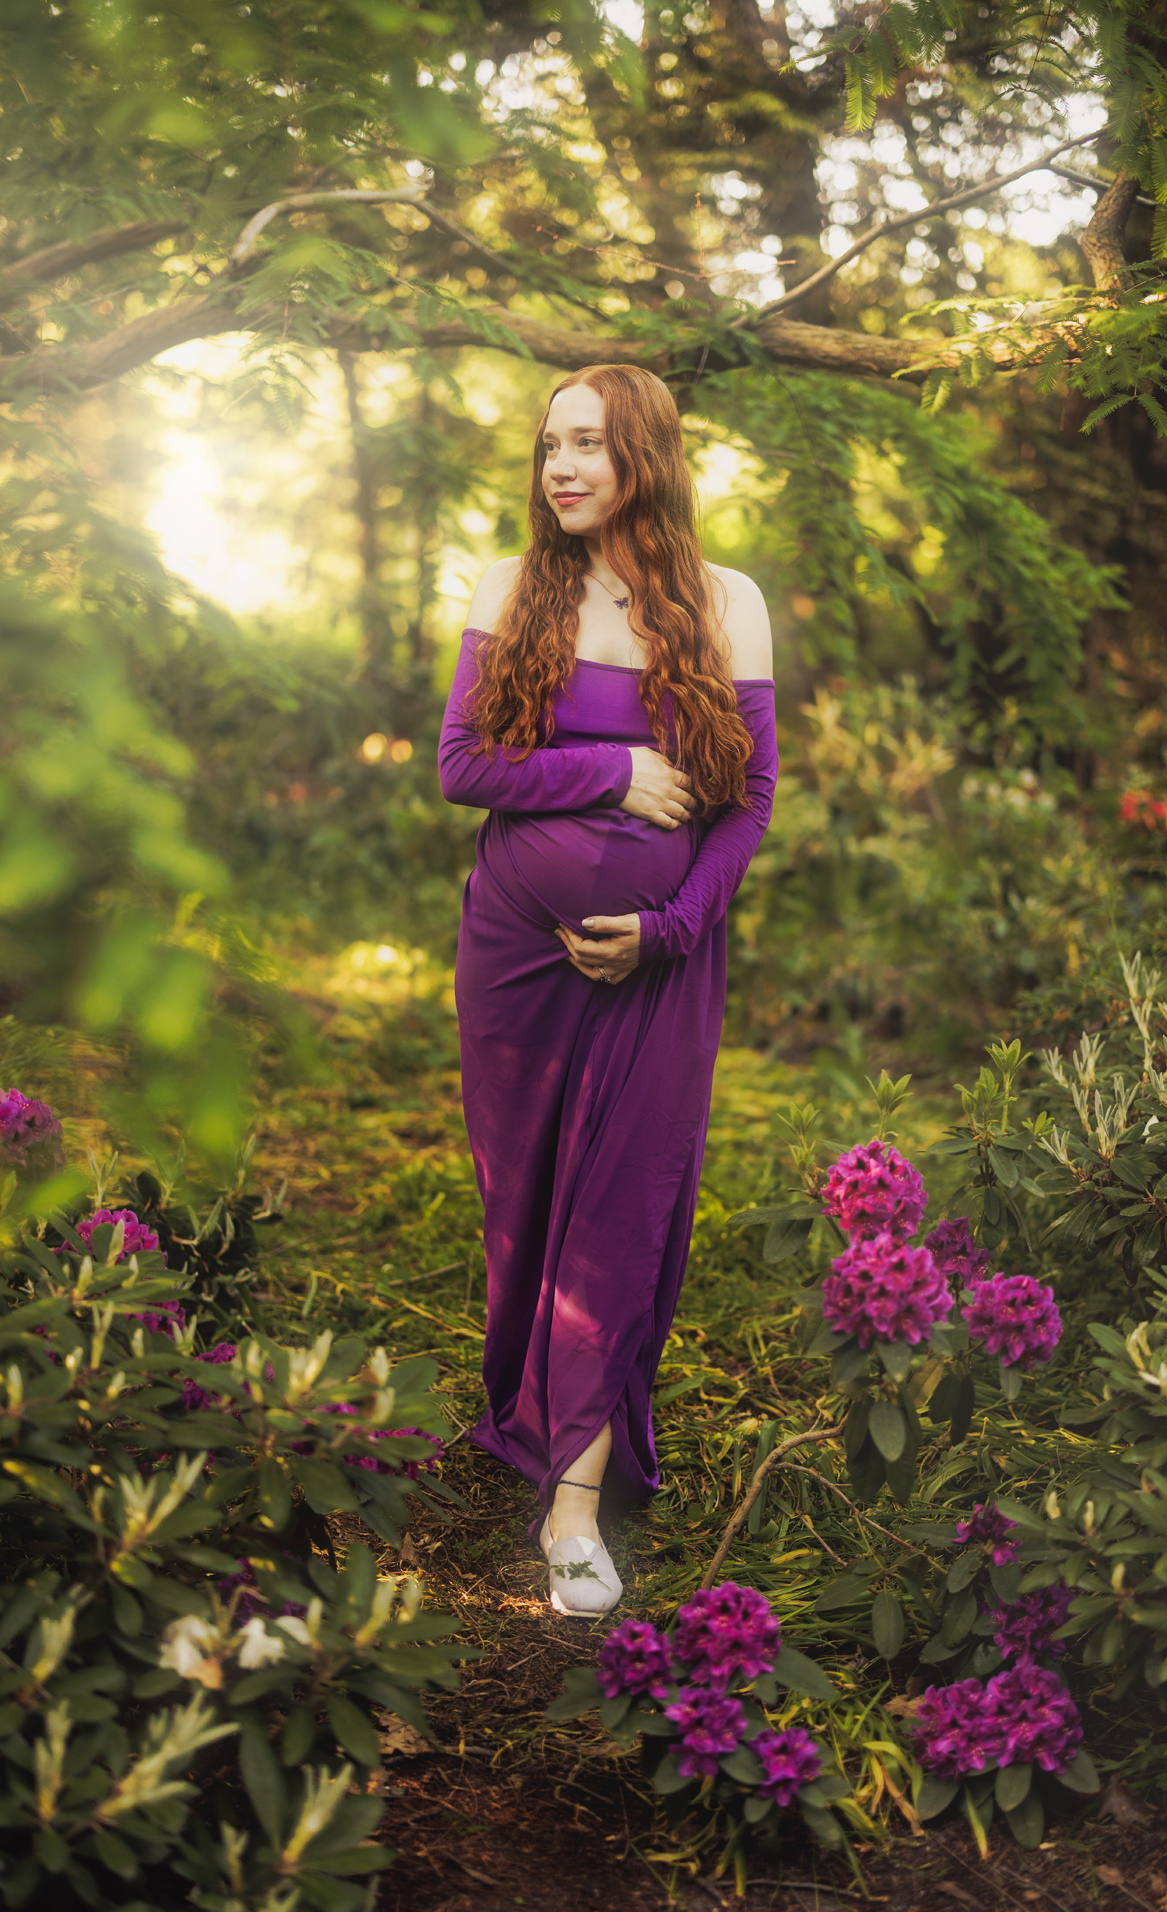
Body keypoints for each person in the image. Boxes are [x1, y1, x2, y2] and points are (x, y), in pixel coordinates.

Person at [436, 364, 778, 1616]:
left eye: (587, 442)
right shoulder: (513, 589)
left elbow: (748, 804)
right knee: (521, 1207)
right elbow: (463, 765)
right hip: (513, 959)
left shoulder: (724, 603)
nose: (562, 467)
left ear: (644, 451)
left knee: (622, 1207)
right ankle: (526, 1410)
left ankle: (575, 1506)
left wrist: (670, 927)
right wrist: (612, 772)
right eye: (547, 447)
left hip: (660, 962)